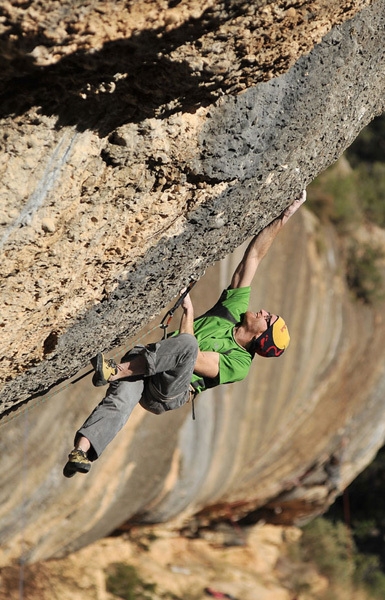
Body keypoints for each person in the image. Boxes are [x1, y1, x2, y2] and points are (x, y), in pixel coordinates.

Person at [63, 191, 306, 477]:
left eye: (268, 319)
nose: (264, 311)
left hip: (166, 392)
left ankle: (114, 371)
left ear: (260, 338)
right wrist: (283, 217)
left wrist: (188, 313)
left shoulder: (239, 364)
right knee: (119, 401)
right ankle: (82, 452)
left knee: (187, 345)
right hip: (147, 365)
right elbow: (252, 258)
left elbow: (190, 358)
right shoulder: (234, 310)